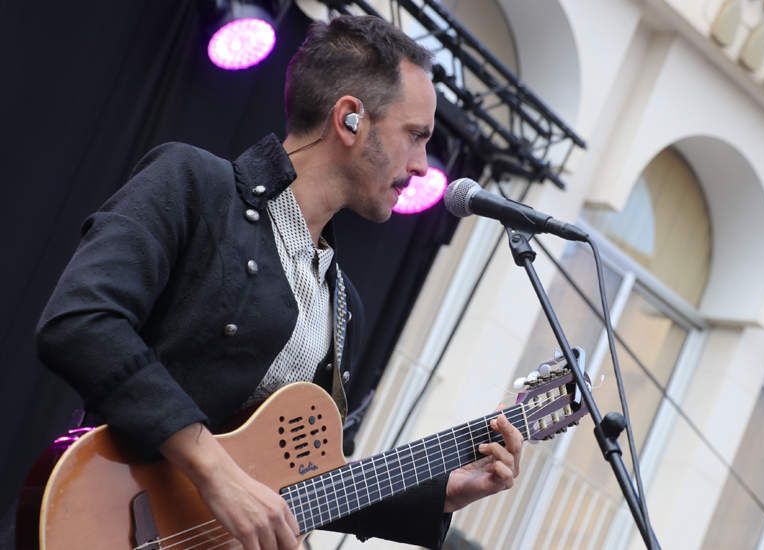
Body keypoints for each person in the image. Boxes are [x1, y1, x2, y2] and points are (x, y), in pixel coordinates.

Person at [35, 14, 522, 550]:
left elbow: (304, 481)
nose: (422, 165)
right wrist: (217, 474)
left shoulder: (341, 303)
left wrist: (440, 492)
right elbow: (81, 321)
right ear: (350, 119)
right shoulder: (196, 184)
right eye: (415, 136)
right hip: (109, 520)